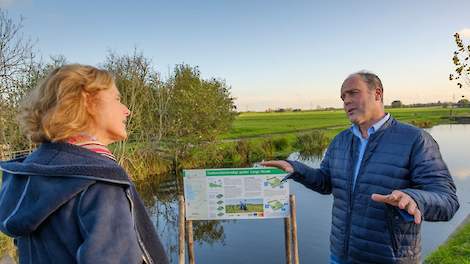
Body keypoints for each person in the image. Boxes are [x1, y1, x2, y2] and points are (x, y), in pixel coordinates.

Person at [262, 71, 459, 263]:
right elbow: (325, 182)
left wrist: (415, 198)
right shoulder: (340, 141)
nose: (346, 101)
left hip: (389, 258)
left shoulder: (415, 139)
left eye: (353, 93)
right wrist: (295, 168)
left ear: (378, 94)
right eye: (343, 97)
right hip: (341, 255)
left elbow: (448, 200)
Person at [0, 64, 169, 264]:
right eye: (117, 99)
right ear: (87, 101)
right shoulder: (100, 181)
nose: (127, 110)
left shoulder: (31, 173)